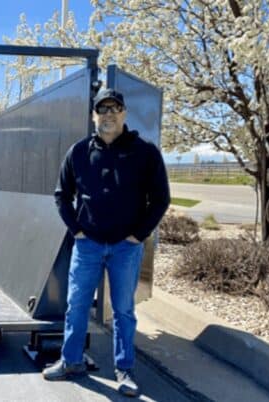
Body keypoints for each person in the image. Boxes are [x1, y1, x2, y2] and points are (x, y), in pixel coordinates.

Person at [42, 88, 170, 397]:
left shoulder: (145, 152)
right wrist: (77, 230)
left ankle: (124, 370)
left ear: (124, 113)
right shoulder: (79, 152)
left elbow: (161, 199)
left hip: (126, 248)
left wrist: (138, 235)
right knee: (76, 306)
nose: (108, 114)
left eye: (115, 108)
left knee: (124, 309)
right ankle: (71, 361)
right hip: (88, 245)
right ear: (93, 116)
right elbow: (62, 195)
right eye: (103, 109)